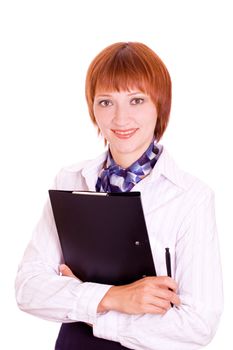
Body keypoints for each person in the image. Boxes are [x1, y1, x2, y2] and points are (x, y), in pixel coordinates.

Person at [15, 42, 223, 350]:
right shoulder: (70, 179)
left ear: (160, 106)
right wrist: (117, 297)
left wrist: (89, 309)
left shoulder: (191, 197)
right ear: (92, 108)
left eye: (136, 100)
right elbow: (28, 290)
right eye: (106, 102)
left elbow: (198, 325)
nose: (120, 118)